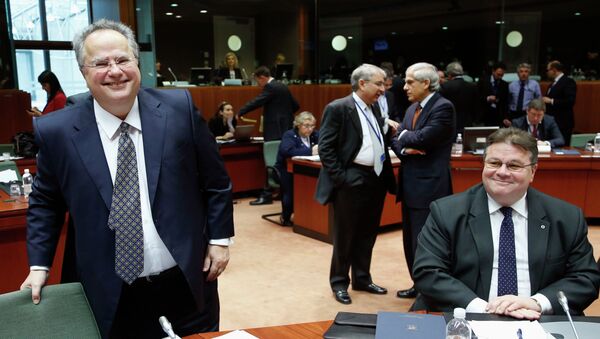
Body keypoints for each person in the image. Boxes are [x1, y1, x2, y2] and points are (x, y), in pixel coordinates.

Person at [19, 19, 234, 338]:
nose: (114, 71)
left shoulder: (179, 109)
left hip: (186, 280)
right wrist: (39, 265)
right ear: (83, 71)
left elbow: (216, 181)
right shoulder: (57, 132)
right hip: (111, 289)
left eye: (122, 59)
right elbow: (46, 204)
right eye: (101, 63)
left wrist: (219, 239)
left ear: (137, 64)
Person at [412, 127, 600, 318]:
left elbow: (586, 278)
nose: (502, 172)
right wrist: (483, 310)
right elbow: (427, 271)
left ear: (533, 171)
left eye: (514, 166)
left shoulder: (566, 218)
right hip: (467, 320)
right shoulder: (447, 213)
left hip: (539, 321)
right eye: (494, 163)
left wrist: (537, 303)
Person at [316, 64, 396, 305]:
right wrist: (342, 178)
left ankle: (362, 278)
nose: (383, 89)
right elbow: (326, 148)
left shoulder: (374, 109)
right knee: (345, 235)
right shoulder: (339, 108)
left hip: (376, 179)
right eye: (379, 84)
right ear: (362, 83)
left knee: (368, 233)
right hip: (351, 178)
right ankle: (340, 282)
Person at [390, 62, 455, 299]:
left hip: (429, 188)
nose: (404, 87)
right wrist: (406, 146)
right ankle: (418, 285)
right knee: (410, 240)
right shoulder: (411, 109)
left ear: (426, 83)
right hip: (409, 185)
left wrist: (405, 136)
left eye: (409, 82)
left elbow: (424, 138)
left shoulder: (443, 107)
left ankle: (428, 291)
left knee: (426, 243)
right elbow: (396, 142)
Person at [238, 66, 300, 205]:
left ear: (262, 77)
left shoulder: (270, 87)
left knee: (270, 161)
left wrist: (241, 111)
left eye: (258, 81)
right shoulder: (283, 86)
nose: (258, 85)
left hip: (273, 131)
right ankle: (283, 191)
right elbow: (296, 105)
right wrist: (285, 116)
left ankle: (267, 194)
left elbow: (257, 102)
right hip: (286, 130)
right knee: (282, 161)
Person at [274, 111, 319, 226]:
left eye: (312, 126)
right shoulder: (289, 135)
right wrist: (310, 151)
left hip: (307, 167)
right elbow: (286, 151)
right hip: (285, 169)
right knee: (291, 190)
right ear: (298, 125)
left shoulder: (315, 135)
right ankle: (286, 216)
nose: (310, 129)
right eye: (306, 126)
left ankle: (310, 215)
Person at [543, 60, 577, 146]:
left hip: (563, 122)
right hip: (551, 122)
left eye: (548, 70)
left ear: (554, 70)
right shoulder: (552, 84)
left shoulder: (568, 81)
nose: (547, 73)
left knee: (562, 148)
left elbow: (570, 101)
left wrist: (551, 101)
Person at [439, 61, 479, 133]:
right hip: (467, 124)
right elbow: (475, 107)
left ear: (449, 74)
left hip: (449, 124)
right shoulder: (472, 86)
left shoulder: (445, 86)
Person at [478, 61, 509, 127]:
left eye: (502, 75)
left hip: (498, 117)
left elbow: (505, 102)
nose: (500, 77)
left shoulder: (504, 84)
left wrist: (505, 117)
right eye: (498, 74)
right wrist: (487, 98)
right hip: (484, 115)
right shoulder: (482, 81)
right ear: (493, 71)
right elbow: (476, 97)